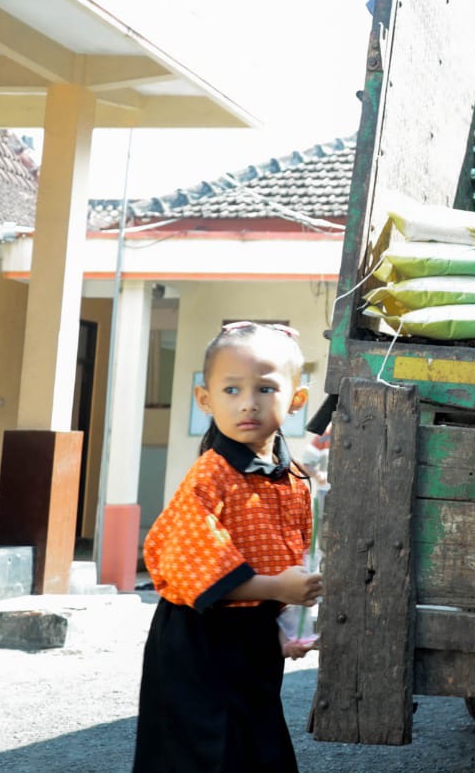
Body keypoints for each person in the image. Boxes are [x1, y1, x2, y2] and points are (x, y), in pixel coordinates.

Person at [134, 321, 322, 773]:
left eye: (265, 388)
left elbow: (290, 558)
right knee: (201, 755)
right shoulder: (209, 477)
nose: (248, 404)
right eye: (232, 390)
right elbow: (197, 571)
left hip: (252, 639)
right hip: (198, 642)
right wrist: (279, 589)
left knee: (257, 747)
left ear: (296, 399)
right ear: (205, 399)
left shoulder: (293, 478)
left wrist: (285, 624)